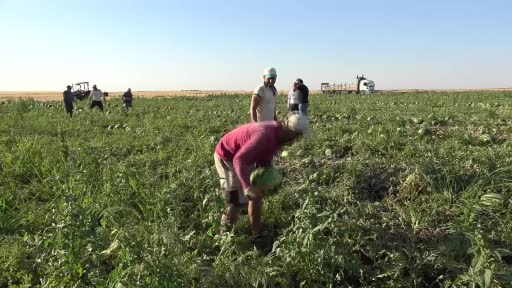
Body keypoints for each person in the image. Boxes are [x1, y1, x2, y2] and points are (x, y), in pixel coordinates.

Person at [214, 112, 310, 235]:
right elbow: (239, 160)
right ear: (291, 132)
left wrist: (270, 178)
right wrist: (247, 187)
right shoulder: (264, 135)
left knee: (256, 195)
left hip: (245, 156)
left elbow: (264, 159)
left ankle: (256, 232)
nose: (296, 141)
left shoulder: (278, 137)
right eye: (297, 137)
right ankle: (223, 236)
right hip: (227, 156)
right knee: (235, 201)